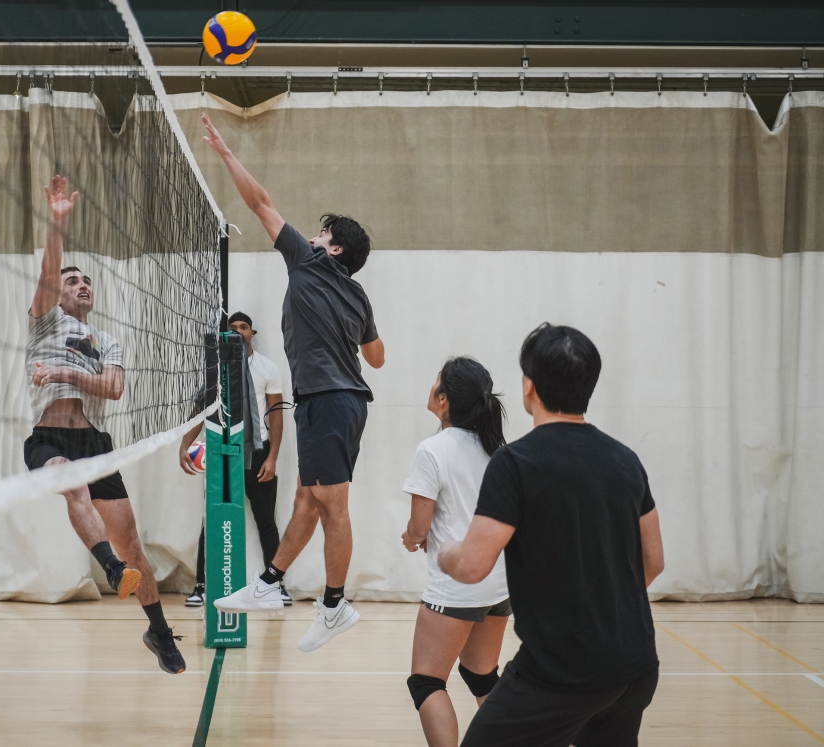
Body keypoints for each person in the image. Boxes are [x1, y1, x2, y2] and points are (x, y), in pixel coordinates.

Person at [201, 113, 385, 652]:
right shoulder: (357, 295)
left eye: (321, 234)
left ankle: (334, 605)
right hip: (336, 402)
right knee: (307, 497)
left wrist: (226, 153)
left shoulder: (307, 261)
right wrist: (345, 334)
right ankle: (270, 582)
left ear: (333, 249)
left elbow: (261, 203)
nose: (311, 235)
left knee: (331, 504)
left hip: (329, 401)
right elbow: (377, 358)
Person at [440, 323, 665, 747]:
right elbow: (653, 561)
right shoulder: (626, 460)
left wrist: (445, 552)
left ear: (529, 386)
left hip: (562, 672)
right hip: (635, 665)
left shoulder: (515, 463)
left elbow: (470, 566)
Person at [24, 175, 186, 675]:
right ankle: (111, 570)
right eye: (73, 280)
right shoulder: (45, 321)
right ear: (58, 293)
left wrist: (65, 373)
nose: (81, 285)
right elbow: (48, 272)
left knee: (133, 543)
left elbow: (113, 388)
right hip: (50, 439)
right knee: (72, 485)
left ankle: (158, 632)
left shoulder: (108, 341)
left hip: (95, 442)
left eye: (87, 281)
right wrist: (57, 223)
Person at [401, 357, 510, 747]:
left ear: (444, 399)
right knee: (482, 677)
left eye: (436, 382)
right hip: (497, 583)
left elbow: (419, 527)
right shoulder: (497, 449)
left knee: (426, 681)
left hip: (457, 584)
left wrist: (411, 537)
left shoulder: (432, 450)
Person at [179, 311, 291, 607]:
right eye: (233, 328)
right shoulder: (217, 369)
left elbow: (276, 415)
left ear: (252, 333)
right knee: (212, 518)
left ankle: (275, 585)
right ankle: (202, 585)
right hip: (223, 451)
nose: (239, 331)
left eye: (244, 327)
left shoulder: (267, 368)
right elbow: (200, 410)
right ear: (226, 335)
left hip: (258, 452)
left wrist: (273, 458)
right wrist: (184, 445)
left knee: (266, 521)